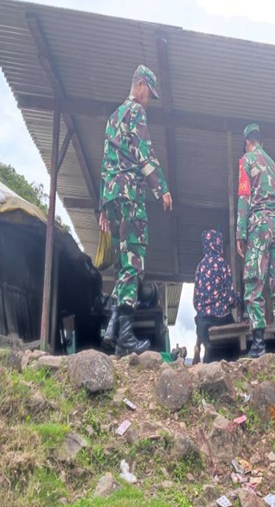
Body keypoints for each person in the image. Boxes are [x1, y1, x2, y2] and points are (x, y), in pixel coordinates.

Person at [98, 64, 173, 357]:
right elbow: (144, 152)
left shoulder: (113, 116)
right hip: (130, 193)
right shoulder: (136, 112)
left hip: (113, 195)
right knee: (134, 261)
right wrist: (161, 188)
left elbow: (105, 162)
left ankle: (113, 329)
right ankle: (126, 335)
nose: (148, 100)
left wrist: (103, 205)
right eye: (148, 93)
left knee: (123, 262)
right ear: (139, 85)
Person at [236, 123, 275, 358]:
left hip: (259, 223)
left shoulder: (246, 160)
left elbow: (244, 197)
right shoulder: (272, 163)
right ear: (261, 141)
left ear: (247, 142)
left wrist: (240, 233)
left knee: (254, 280)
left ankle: (258, 343)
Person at [193, 229, 239, 364]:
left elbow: (195, 301)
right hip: (221, 319)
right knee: (235, 339)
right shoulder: (222, 264)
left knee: (201, 320)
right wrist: (238, 300)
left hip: (203, 322)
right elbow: (230, 299)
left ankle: (199, 346)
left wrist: (204, 309)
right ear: (218, 244)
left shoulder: (200, 266)